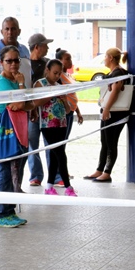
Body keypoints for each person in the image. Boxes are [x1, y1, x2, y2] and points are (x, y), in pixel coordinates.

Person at [0, 45, 35, 227]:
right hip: (6, 132)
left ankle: (10, 211)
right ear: (1, 63)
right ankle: (1, 214)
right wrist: (22, 85)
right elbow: (20, 103)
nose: (14, 64)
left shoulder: (16, 79)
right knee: (4, 173)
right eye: (9, 61)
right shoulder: (3, 81)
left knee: (15, 172)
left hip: (19, 130)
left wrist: (22, 102)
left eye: (16, 60)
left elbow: (29, 104)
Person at [85, 47, 129, 183]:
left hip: (115, 112)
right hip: (110, 111)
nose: (104, 59)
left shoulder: (118, 72)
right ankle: (100, 169)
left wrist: (107, 108)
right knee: (104, 141)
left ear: (110, 58)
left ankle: (107, 172)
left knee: (111, 142)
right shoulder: (114, 72)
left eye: (105, 56)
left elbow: (115, 91)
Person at [34, 59, 77, 197]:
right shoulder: (40, 84)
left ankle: (49, 186)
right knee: (60, 155)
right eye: (55, 73)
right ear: (47, 70)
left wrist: (64, 99)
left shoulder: (59, 85)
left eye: (59, 73)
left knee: (55, 155)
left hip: (62, 123)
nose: (57, 76)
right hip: (48, 125)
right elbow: (36, 103)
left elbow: (68, 110)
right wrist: (51, 94)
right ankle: (68, 186)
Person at [0, 17, 31, 113]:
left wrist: (31, 106)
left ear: (19, 31)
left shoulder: (25, 50)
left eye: (13, 29)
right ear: (2, 32)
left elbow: (30, 75)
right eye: (7, 29)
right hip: (7, 110)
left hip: (24, 104)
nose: (10, 32)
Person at [26, 33, 54, 186]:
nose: (48, 48)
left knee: (52, 143)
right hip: (31, 110)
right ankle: (35, 176)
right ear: (36, 47)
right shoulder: (25, 64)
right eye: (45, 45)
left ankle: (55, 176)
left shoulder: (48, 64)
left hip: (49, 111)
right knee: (32, 144)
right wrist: (31, 107)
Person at [53, 48, 83, 186]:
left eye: (70, 58)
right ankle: (58, 174)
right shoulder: (58, 77)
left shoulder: (68, 75)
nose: (70, 61)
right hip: (62, 113)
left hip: (70, 112)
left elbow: (72, 95)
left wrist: (78, 112)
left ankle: (62, 171)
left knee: (63, 144)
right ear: (59, 60)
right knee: (59, 145)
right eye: (67, 59)